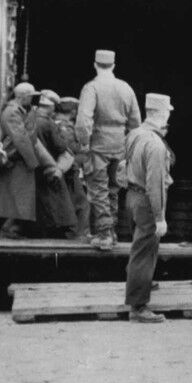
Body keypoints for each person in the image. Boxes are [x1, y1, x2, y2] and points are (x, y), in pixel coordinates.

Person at [74, 49, 141, 248]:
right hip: (119, 145)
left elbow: (84, 120)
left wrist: (84, 143)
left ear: (95, 65)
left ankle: (104, 234)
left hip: (98, 146)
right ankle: (111, 231)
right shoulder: (126, 88)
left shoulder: (91, 88)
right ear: (113, 65)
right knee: (113, 190)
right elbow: (136, 122)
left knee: (97, 190)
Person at [123, 93, 175, 324]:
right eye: (167, 113)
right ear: (160, 114)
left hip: (132, 195)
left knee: (140, 248)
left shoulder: (135, 134)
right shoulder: (155, 144)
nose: (168, 117)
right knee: (144, 250)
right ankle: (138, 306)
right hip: (146, 199)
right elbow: (155, 186)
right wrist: (160, 217)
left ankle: (141, 281)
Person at [0, 81, 59, 239]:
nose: (32, 99)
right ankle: (3, 233)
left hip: (17, 162)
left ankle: (0, 233)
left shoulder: (22, 110)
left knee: (8, 201)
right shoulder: (12, 112)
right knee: (10, 201)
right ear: (23, 97)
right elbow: (20, 138)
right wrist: (33, 163)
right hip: (13, 163)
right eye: (30, 96)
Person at [30, 90, 79, 236]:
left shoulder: (31, 119)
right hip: (50, 166)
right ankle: (65, 229)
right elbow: (61, 146)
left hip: (36, 167)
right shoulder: (48, 124)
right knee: (61, 202)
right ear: (50, 107)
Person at [52, 94, 90, 239]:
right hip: (68, 170)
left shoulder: (56, 124)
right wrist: (85, 147)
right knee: (81, 204)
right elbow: (69, 147)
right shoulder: (65, 127)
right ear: (73, 112)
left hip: (64, 169)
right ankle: (78, 234)